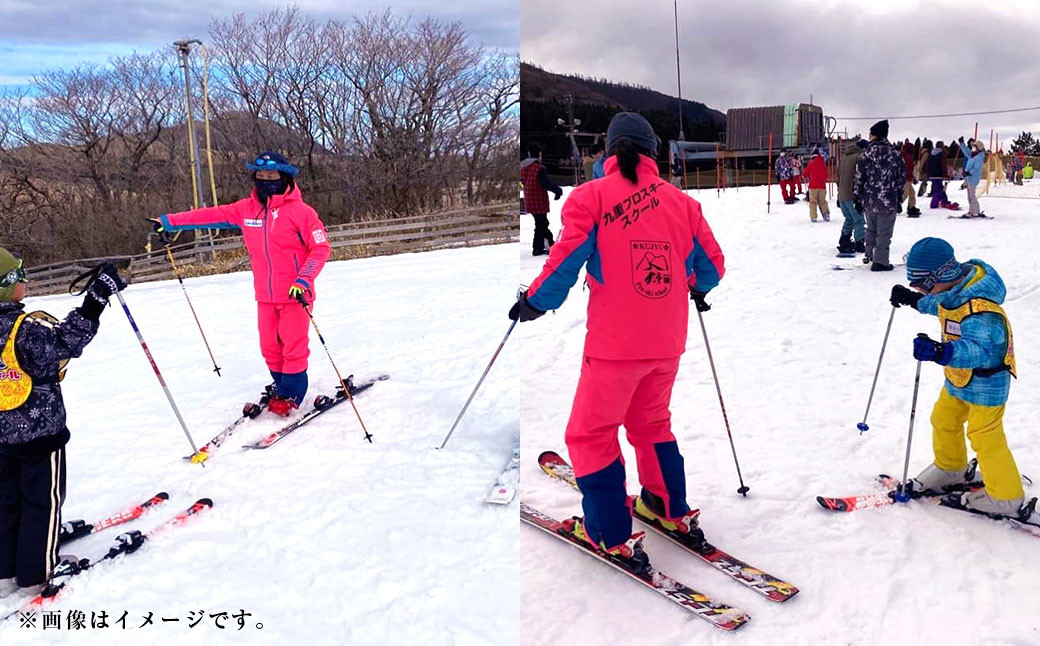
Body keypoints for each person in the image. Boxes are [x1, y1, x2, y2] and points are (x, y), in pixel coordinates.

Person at [509, 112, 725, 569]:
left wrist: (535, 301)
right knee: (651, 424)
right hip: (666, 342)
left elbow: (567, 259)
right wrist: (696, 288)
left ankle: (609, 531)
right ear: (652, 152)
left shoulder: (590, 197)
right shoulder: (682, 203)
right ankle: (668, 507)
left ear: (609, 152)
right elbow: (712, 266)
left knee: (590, 434)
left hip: (614, 348)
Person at [154, 151, 330, 416]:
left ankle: (292, 393)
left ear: (284, 177)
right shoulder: (247, 210)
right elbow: (209, 216)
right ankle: (281, 385)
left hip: (295, 293)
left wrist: (303, 279)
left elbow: (320, 249)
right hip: (265, 295)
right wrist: (168, 222)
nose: (266, 181)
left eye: (272, 176)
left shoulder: (302, 213)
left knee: (293, 345)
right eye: (261, 176)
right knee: (270, 346)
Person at [0, 250, 125, 592]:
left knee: (7, 501)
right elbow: (68, 340)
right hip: (40, 434)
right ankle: (36, 574)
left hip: (2, 436)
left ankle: (5, 570)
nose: (24, 281)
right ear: (8, 286)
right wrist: (96, 298)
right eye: (18, 277)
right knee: (42, 501)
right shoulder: (25, 329)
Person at [890, 238, 1024, 516]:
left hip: (987, 381)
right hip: (959, 378)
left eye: (922, 285)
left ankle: (1006, 497)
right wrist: (914, 299)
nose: (920, 289)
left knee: (984, 435)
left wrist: (941, 351)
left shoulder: (980, 308)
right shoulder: (953, 290)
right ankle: (951, 468)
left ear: (942, 276)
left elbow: (980, 349)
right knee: (944, 419)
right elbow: (941, 303)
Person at [853, 119, 905, 271]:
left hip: (869, 200)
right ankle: (880, 261)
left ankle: (869, 256)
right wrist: (898, 195)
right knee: (884, 232)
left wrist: (857, 198)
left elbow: (859, 178)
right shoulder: (895, 155)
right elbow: (901, 178)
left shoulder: (865, 155)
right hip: (888, 199)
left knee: (871, 229)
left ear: (874, 135)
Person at [520, 143, 563, 256]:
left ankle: (551, 244)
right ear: (539, 154)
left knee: (541, 223)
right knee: (541, 224)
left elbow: (523, 182)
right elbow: (545, 183)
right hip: (539, 199)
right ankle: (538, 248)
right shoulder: (539, 168)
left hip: (529, 199)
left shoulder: (522, 167)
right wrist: (557, 190)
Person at [836, 139, 867, 254]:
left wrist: (839, 193)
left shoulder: (843, 159)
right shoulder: (859, 158)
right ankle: (859, 243)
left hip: (842, 195)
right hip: (853, 195)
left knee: (849, 219)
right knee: (859, 220)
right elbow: (861, 177)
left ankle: (844, 240)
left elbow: (837, 177)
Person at [957, 137, 986, 218]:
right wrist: (962, 144)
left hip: (973, 179)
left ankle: (975, 212)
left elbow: (977, 168)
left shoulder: (979, 157)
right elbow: (966, 152)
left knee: (972, 197)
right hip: (968, 178)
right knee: (969, 196)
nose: (972, 148)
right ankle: (971, 211)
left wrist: (968, 172)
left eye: (974, 147)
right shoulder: (972, 154)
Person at [803, 147, 830, 222]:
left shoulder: (811, 163)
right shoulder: (823, 163)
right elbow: (826, 175)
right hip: (822, 186)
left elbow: (805, 173)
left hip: (813, 186)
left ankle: (814, 216)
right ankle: (826, 214)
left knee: (813, 202)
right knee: (823, 201)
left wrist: (804, 176)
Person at [925, 141, 950, 209]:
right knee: (938, 190)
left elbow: (927, 165)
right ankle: (933, 204)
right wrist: (945, 174)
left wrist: (928, 174)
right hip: (938, 174)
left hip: (932, 174)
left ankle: (945, 201)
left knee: (939, 188)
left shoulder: (931, 154)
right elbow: (943, 165)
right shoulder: (942, 154)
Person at [900, 141, 921, 217]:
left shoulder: (901, 155)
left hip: (901, 177)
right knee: (905, 193)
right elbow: (908, 169)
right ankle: (896, 206)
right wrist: (912, 178)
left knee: (912, 192)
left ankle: (911, 207)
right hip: (906, 178)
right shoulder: (908, 157)